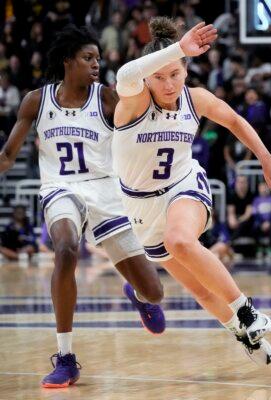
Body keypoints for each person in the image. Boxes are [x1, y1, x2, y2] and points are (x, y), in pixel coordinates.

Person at [112, 18, 271, 365]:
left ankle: (247, 311)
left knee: (179, 241)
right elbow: (124, 76)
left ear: (186, 72)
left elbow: (235, 121)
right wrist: (179, 48)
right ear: (147, 77)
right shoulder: (133, 103)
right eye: (160, 77)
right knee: (197, 288)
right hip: (140, 206)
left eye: (176, 74)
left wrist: (266, 159)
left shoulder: (195, 99)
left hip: (183, 184)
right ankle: (243, 335)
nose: (168, 84)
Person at [0, 26, 166, 388]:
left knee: (154, 291)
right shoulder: (36, 101)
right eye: (88, 58)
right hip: (61, 189)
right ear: (67, 62)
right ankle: (66, 357)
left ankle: (138, 296)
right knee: (65, 248)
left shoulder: (106, 98)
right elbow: (8, 156)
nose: (96, 64)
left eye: (98, 58)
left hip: (106, 194)